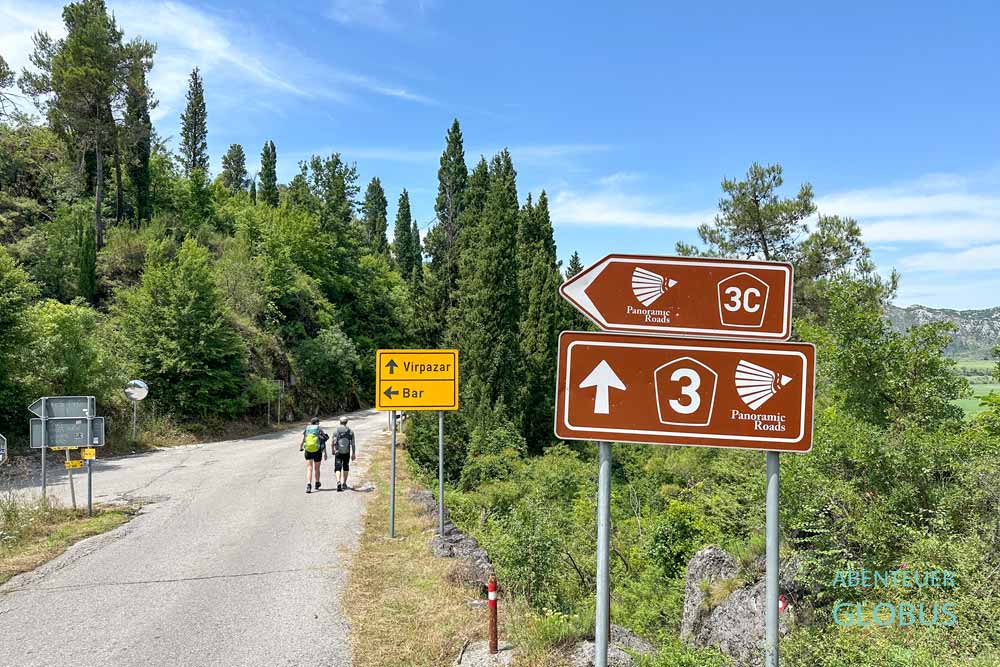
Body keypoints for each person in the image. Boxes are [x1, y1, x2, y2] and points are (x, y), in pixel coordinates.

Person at [301, 418, 327, 493]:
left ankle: (309, 485)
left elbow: (304, 439)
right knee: (317, 468)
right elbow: (323, 441)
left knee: (309, 468)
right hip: (317, 450)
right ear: (317, 423)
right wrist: (325, 453)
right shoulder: (319, 429)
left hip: (308, 450)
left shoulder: (307, 428)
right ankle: (317, 482)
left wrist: (301, 447)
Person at [332, 417, 356, 492]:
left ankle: (338, 481)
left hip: (338, 452)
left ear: (340, 422)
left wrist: (333, 450)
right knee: (345, 466)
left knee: (338, 467)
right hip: (347, 452)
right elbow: (353, 444)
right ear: (347, 422)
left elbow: (333, 442)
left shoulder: (336, 431)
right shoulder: (350, 431)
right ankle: (344, 483)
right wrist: (353, 453)